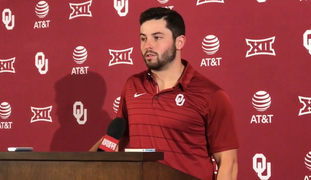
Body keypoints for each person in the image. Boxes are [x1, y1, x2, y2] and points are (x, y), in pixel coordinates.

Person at [90, 7, 239, 180]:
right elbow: (116, 139)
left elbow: (228, 163)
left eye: (157, 38)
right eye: (143, 38)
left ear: (180, 42)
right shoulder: (133, 86)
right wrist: (86, 163)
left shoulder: (211, 95)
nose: (148, 46)